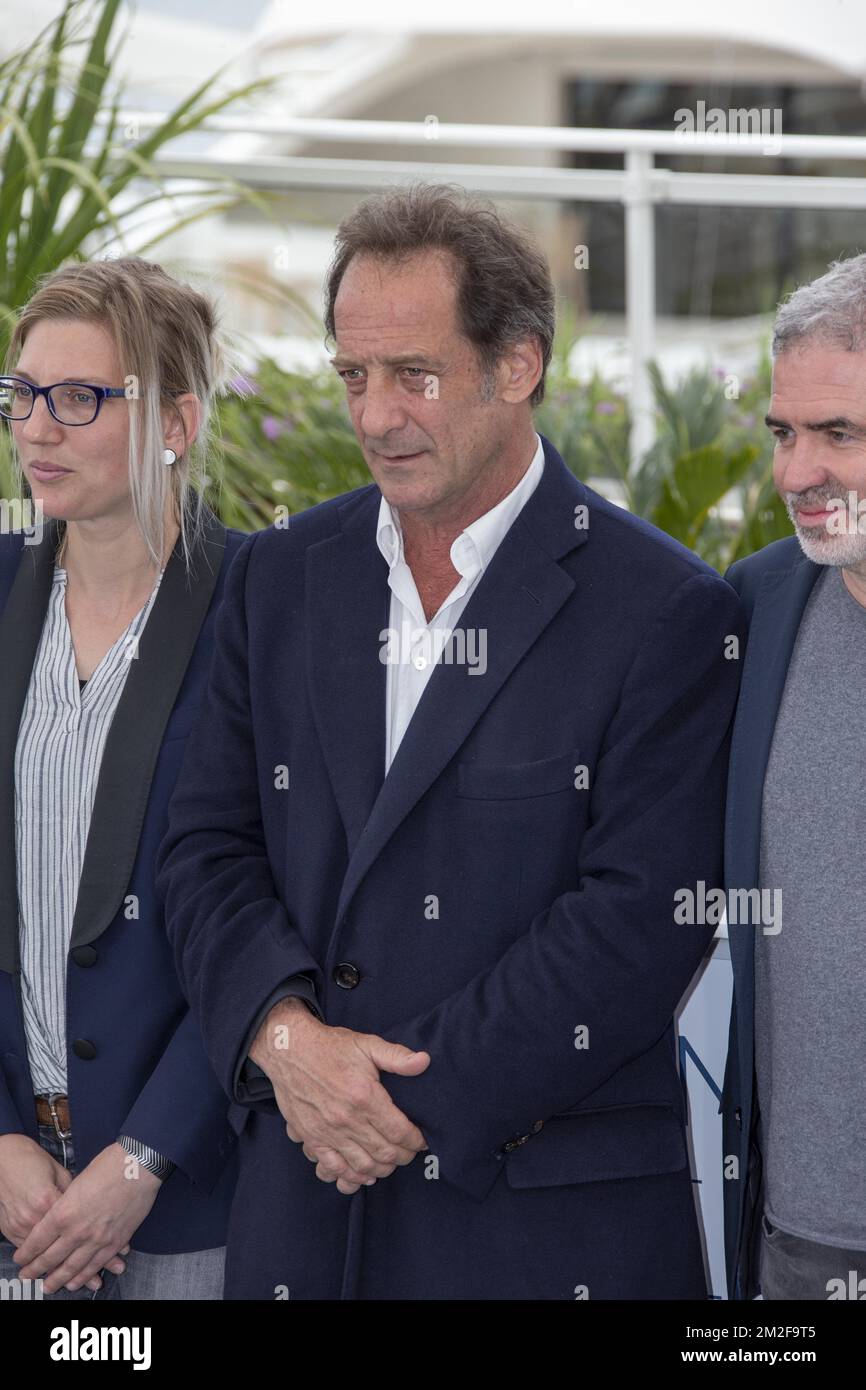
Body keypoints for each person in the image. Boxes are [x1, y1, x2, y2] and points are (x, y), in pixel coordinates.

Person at [158, 184, 744, 1301]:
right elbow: (203, 850)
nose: (374, 415)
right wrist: (288, 1044)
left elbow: (635, 922)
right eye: (352, 376)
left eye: (412, 375)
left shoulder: (663, 607)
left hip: (536, 1232)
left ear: (516, 364)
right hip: (301, 1221)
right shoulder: (277, 580)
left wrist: (378, 1107)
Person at [0, 257, 244, 1299]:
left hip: (185, 1195)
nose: (36, 429)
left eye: (80, 397)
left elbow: (277, 918)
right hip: (15, 1198)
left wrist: (144, 1153)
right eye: (22, 395)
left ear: (176, 421)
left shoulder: (259, 614)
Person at [723, 253, 866, 1301]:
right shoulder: (754, 609)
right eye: (782, 432)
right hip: (798, 1235)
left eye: (837, 434)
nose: (793, 473)